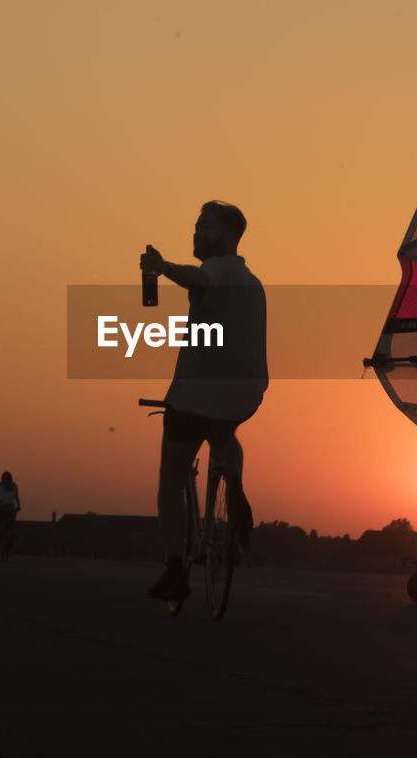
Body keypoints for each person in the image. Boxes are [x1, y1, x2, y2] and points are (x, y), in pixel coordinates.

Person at [140, 201, 267, 600]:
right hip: (243, 396)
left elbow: (198, 281)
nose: (197, 233)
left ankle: (175, 568)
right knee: (225, 434)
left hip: (195, 397)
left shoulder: (216, 271)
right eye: (196, 226)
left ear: (229, 236)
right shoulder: (253, 283)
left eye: (206, 227)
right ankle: (235, 485)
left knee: (172, 477)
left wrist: (163, 268)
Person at [0, 471, 22, 559]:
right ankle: (11, 537)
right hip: (11, 509)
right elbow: (17, 497)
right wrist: (19, 506)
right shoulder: (14, 486)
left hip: (1, 508)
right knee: (12, 527)